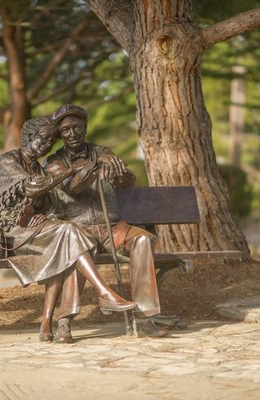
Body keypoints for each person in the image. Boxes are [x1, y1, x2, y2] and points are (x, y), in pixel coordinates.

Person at [0, 116, 136, 343]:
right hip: (10, 232)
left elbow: (46, 202)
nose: (46, 146)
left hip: (34, 230)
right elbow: (34, 187)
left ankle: (46, 320)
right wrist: (73, 167)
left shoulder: (38, 166)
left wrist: (43, 214)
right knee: (69, 232)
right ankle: (103, 292)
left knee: (64, 246)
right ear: (29, 138)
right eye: (42, 140)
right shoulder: (8, 161)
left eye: (50, 142)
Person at [44, 104, 168, 338]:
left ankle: (146, 315)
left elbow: (127, 183)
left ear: (85, 128)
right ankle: (65, 320)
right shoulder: (54, 162)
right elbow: (73, 186)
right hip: (78, 228)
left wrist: (120, 172)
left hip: (112, 227)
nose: (73, 133)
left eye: (77, 127)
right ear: (60, 135)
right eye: (67, 129)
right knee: (76, 248)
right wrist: (97, 164)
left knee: (142, 239)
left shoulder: (104, 151)